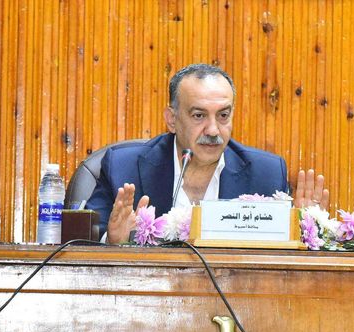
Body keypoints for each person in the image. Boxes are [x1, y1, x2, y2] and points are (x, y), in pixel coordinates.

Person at [86, 63, 329, 244]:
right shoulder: (123, 167)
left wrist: (299, 231)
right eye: (199, 115)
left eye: (223, 115)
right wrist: (112, 241)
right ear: (172, 119)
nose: (213, 130)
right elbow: (80, 246)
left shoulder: (265, 175)